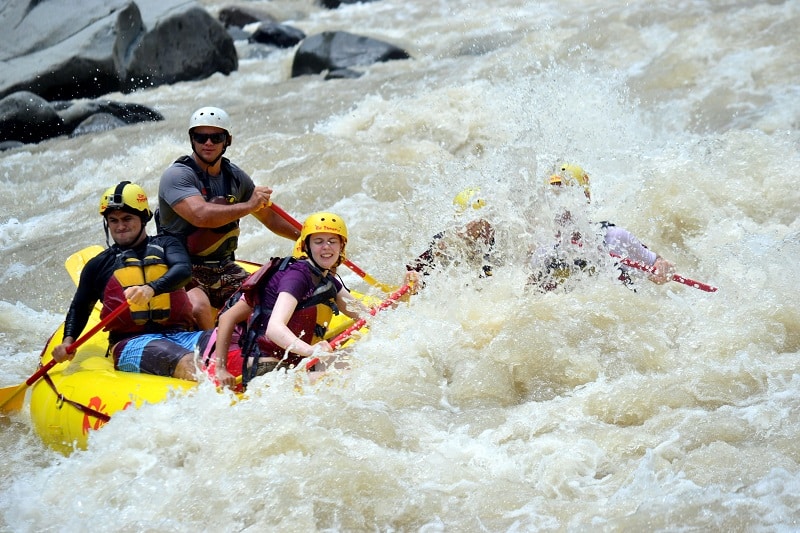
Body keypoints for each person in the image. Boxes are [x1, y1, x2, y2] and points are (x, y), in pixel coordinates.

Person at [212, 212, 418, 389]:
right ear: (306, 246)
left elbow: (369, 316)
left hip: (297, 364)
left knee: (371, 359)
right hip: (269, 370)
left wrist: (405, 292)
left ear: (341, 246)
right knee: (349, 378)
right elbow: (274, 329)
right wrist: (312, 351)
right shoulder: (297, 276)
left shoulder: (328, 281)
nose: (326, 247)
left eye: (332, 241)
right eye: (318, 241)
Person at [157, 106, 300, 330]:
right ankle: (210, 357)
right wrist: (249, 205)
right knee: (199, 309)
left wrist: (307, 238)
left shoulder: (235, 177)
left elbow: (270, 219)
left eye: (216, 137)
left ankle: (256, 342)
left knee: (271, 296)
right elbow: (201, 215)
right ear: (192, 139)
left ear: (227, 140)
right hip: (181, 266)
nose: (208, 143)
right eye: (201, 137)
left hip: (223, 266)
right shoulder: (177, 175)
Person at [52, 182, 205, 380]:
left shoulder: (167, 244)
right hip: (132, 343)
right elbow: (79, 308)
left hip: (181, 336)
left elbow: (183, 271)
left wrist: (151, 288)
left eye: (127, 219)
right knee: (189, 362)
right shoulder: (98, 265)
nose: (120, 226)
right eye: (113, 221)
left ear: (143, 219)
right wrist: (68, 342)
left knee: (238, 347)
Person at [529, 163, 676, 291]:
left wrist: (663, 268)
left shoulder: (616, 239)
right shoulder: (544, 251)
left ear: (585, 199)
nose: (562, 210)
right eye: (555, 198)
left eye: (567, 197)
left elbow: (656, 267)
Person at [408, 187, 497, 278]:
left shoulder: (496, 246)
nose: (487, 232)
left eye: (489, 225)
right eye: (479, 226)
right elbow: (413, 270)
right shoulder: (444, 242)